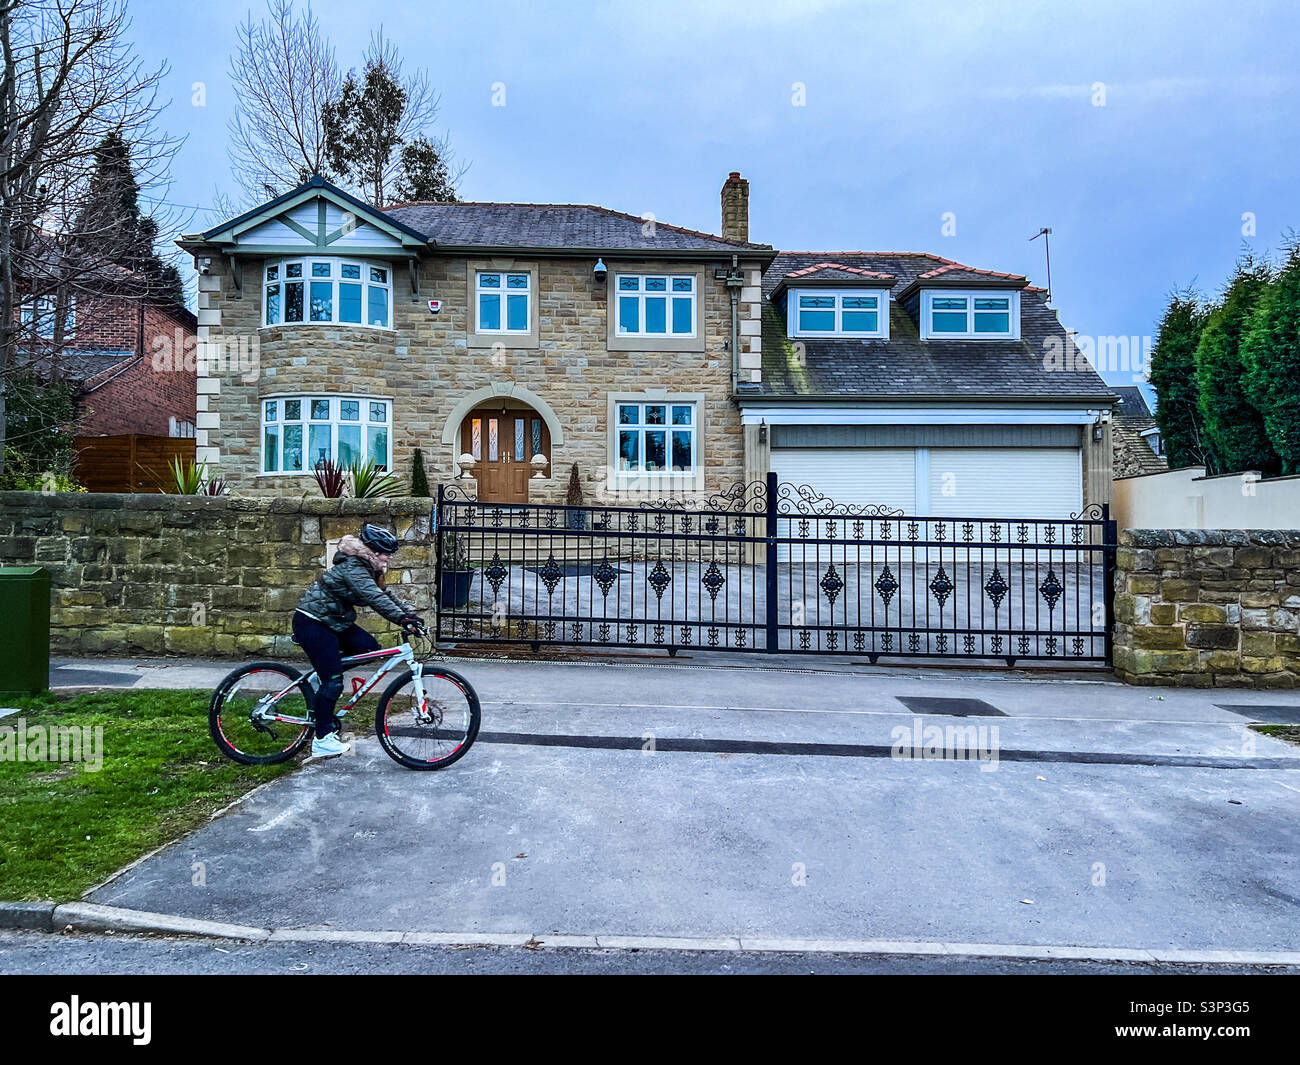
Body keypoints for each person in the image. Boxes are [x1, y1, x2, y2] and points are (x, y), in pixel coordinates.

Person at [293, 523, 423, 758]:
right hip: (313, 622)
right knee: (333, 682)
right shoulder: (354, 567)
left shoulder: (368, 568)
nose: (388, 558)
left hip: (333, 621)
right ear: (373, 551)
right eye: (385, 553)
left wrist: (409, 616)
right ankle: (322, 739)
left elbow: (384, 594)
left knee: (368, 647)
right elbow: (373, 597)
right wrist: (401, 619)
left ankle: (320, 677)